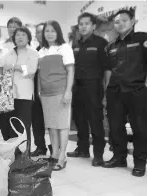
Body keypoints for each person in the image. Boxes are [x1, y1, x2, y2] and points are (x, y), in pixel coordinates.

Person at [102, 10, 147, 177]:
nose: (120, 24)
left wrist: (146, 87)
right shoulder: (111, 46)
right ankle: (119, 158)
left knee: (139, 129)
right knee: (115, 128)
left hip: (136, 91)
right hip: (115, 92)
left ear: (133, 21)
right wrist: (107, 91)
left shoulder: (143, 38)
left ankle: (140, 163)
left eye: (124, 20)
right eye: (117, 22)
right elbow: (108, 71)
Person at [67, 12, 108, 167]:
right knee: (79, 119)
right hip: (77, 87)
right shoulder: (75, 44)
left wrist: (106, 89)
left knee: (95, 121)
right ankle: (82, 148)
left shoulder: (101, 43)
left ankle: (98, 154)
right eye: (81, 24)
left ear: (93, 26)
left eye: (86, 23)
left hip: (93, 87)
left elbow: (106, 68)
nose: (83, 26)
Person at [38, 20, 75, 171]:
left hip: (61, 92)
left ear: (58, 32)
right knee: (52, 126)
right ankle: (54, 154)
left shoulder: (64, 48)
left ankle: (62, 156)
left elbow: (71, 71)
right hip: (46, 94)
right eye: (47, 31)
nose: (50, 34)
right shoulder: (41, 51)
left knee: (62, 126)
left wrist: (68, 91)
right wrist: (40, 92)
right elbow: (40, 74)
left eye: (53, 31)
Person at [2, 27, 38, 139]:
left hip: (24, 94)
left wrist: (14, 66)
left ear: (28, 38)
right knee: (9, 124)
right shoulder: (9, 54)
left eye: (23, 35)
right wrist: (21, 67)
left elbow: (30, 72)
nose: (20, 37)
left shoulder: (33, 53)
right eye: (17, 35)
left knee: (23, 125)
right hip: (8, 95)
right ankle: (11, 152)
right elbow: (2, 69)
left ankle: (23, 153)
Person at [30, 22, 50, 157]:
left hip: (52, 92)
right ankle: (40, 147)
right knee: (37, 121)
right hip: (36, 92)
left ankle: (56, 148)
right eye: (37, 32)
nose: (40, 34)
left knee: (53, 122)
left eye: (43, 31)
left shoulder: (55, 49)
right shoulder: (35, 51)